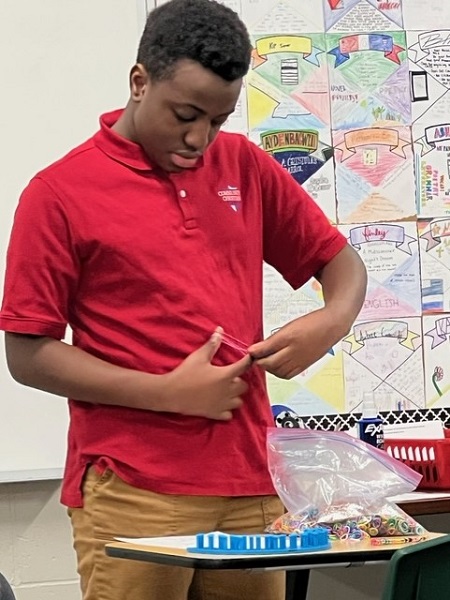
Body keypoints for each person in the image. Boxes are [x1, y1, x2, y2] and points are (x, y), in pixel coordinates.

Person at [0, 0, 367, 598]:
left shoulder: (243, 164)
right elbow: (28, 353)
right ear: (139, 82)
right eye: (185, 115)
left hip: (250, 484)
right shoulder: (58, 194)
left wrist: (333, 319)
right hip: (134, 487)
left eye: (217, 120)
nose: (199, 139)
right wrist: (166, 392)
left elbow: (342, 264)